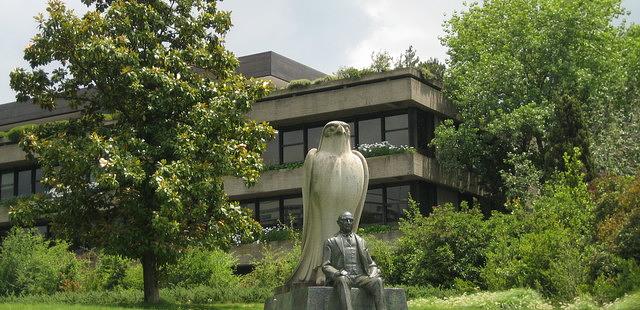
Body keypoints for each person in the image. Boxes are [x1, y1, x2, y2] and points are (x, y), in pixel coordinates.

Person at [321, 211, 386, 310]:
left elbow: (371, 263)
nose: (348, 222)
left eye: (350, 220)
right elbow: (326, 266)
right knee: (342, 280)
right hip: (343, 276)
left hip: (360, 277)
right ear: (339, 223)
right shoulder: (331, 242)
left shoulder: (361, 241)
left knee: (378, 281)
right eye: (345, 220)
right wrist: (338, 272)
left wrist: (373, 272)